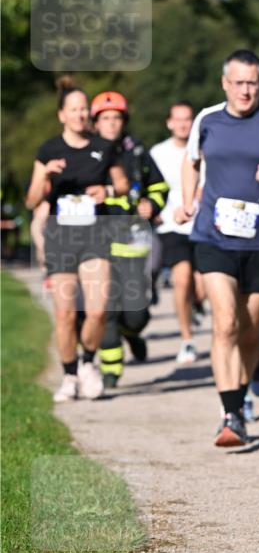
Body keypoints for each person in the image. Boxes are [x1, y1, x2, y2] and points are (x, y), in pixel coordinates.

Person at [177, 50, 259, 448]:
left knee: (250, 334)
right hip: (213, 236)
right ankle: (231, 414)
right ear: (225, 83)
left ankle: (243, 390)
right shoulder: (206, 120)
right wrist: (188, 199)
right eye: (239, 82)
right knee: (224, 322)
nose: (246, 90)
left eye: (253, 83)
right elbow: (191, 161)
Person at [25, 79, 128, 402]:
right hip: (61, 240)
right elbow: (30, 201)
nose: (81, 114)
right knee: (66, 315)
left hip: (96, 236)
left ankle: (87, 362)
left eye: (84, 108)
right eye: (74, 109)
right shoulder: (49, 150)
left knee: (97, 311)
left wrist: (107, 191)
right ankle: (69, 375)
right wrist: (45, 175)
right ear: (62, 115)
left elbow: (123, 185)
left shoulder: (104, 147)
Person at [91, 91, 169, 388]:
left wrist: (153, 203)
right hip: (96, 244)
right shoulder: (87, 151)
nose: (111, 124)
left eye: (116, 118)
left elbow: (159, 186)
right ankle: (111, 372)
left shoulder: (136, 150)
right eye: (105, 118)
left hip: (133, 244)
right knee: (107, 308)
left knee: (136, 316)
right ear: (95, 122)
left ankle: (131, 333)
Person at [150, 102, 206, 365]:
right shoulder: (157, 153)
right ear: (169, 123)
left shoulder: (203, 150)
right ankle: (187, 340)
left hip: (202, 225)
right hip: (171, 226)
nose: (183, 124)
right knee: (182, 278)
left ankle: (195, 303)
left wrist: (197, 197)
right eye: (178, 120)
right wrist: (154, 208)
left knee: (202, 289)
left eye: (188, 119)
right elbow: (150, 187)